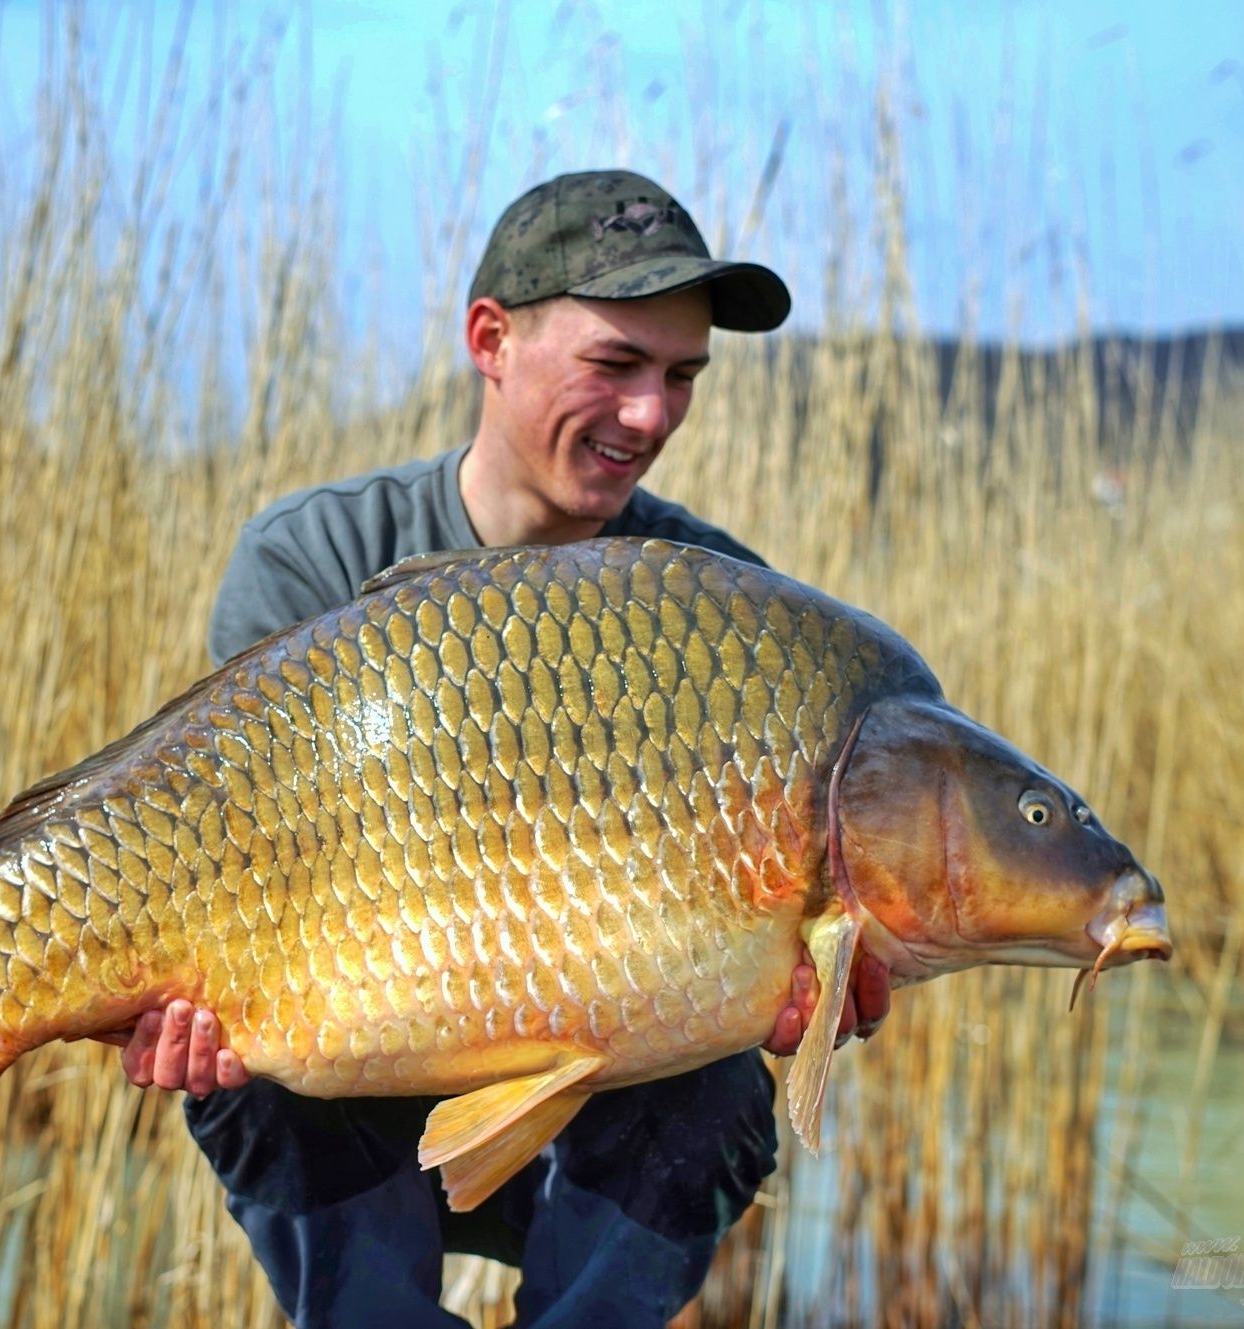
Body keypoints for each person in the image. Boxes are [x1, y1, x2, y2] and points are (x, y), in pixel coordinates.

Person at [118, 170, 892, 1327]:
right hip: (364, 1105)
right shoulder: (315, 561)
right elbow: (223, 866)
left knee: (720, 1094)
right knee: (252, 1084)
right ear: (491, 338)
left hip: (596, 1127)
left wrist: (819, 984)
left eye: (682, 377)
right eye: (615, 365)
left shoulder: (719, 606)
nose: (652, 417)